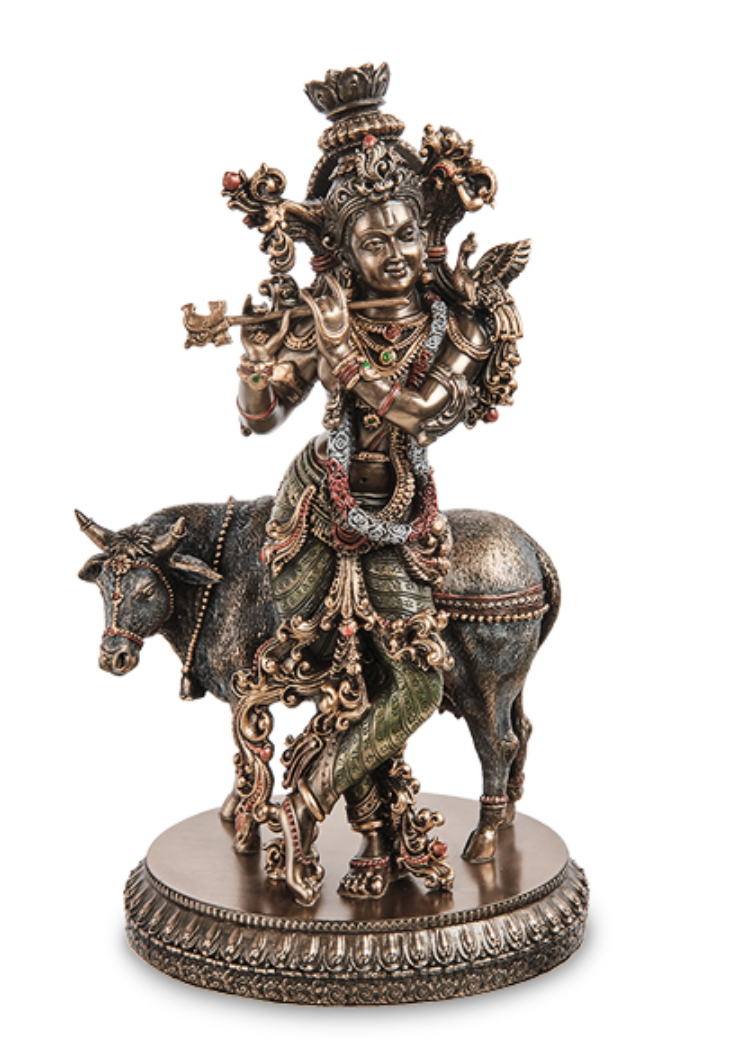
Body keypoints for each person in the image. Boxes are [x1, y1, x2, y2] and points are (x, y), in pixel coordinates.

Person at [228, 66, 523, 906]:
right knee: (313, 655)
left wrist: (344, 360)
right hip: (313, 507)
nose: (392, 255)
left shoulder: (452, 323)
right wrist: (259, 365)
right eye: (371, 242)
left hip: (398, 515)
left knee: (418, 683)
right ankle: (348, 813)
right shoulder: (326, 314)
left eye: (404, 235)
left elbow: (425, 414)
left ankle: (309, 798)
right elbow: (260, 415)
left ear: (426, 235)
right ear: (342, 252)